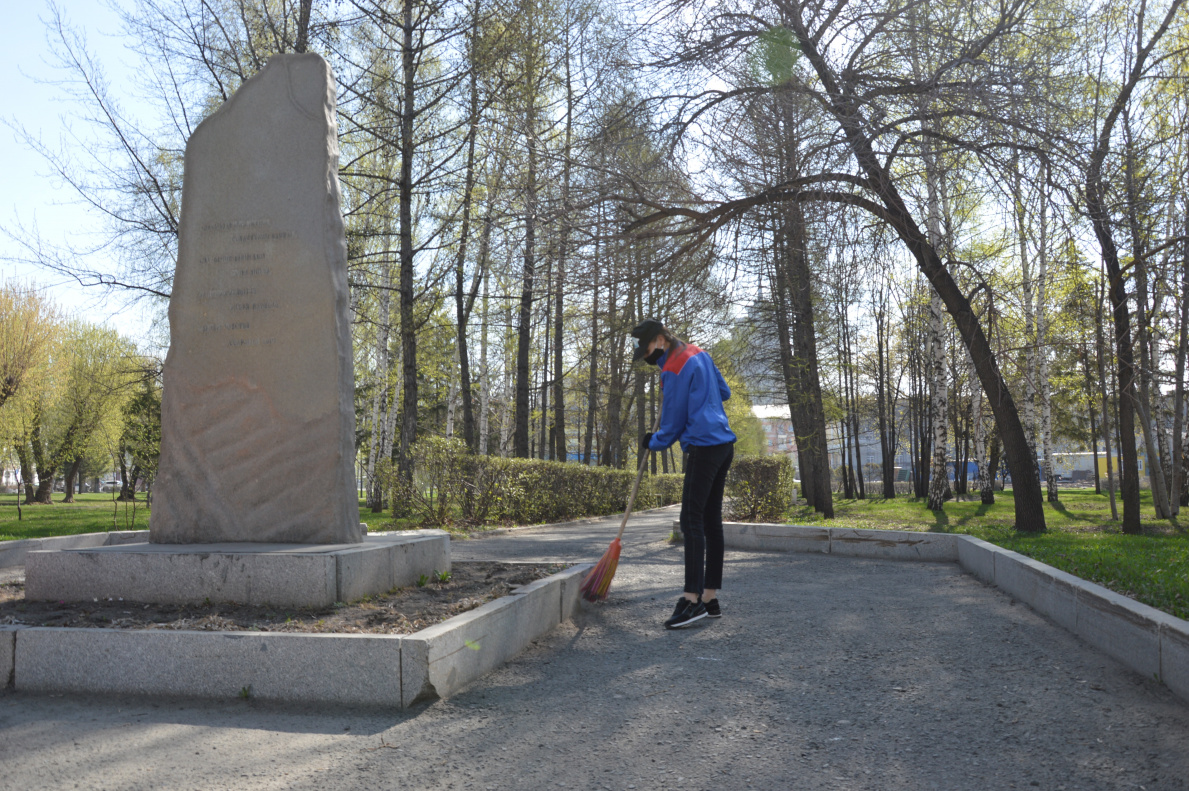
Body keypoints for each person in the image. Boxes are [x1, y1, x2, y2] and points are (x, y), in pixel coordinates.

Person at [631, 318, 736, 629]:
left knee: (691, 520)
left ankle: (691, 601)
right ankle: (709, 597)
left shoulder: (673, 367)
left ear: (660, 340)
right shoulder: (699, 353)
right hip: (723, 444)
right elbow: (725, 392)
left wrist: (654, 440)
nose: (647, 356)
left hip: (703, 447)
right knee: (710, 522)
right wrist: (703, 398)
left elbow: (673, 425)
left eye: (647, 348)